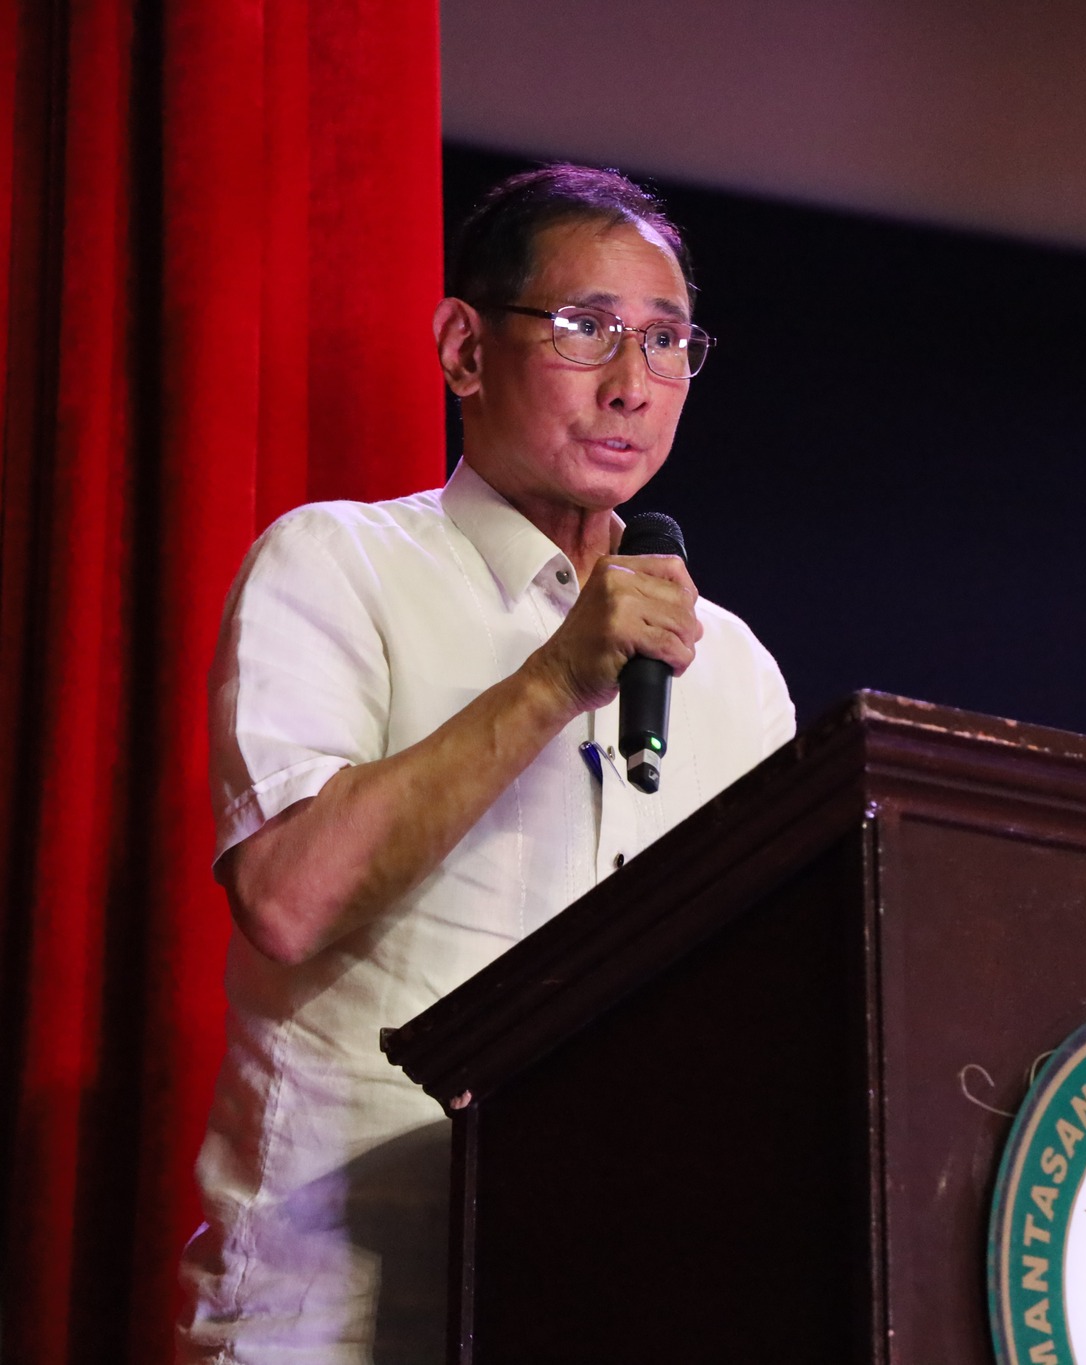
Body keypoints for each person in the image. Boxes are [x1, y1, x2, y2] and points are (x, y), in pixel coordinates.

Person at [178, 165, 795, 1362]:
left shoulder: (731, 670)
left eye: (665, 341)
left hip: (604, 1307)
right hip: (338, 1316)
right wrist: (555, 680)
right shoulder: (339, 564)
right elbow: (288, 901)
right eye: (585, 329)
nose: (631, 383)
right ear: (464, 349)